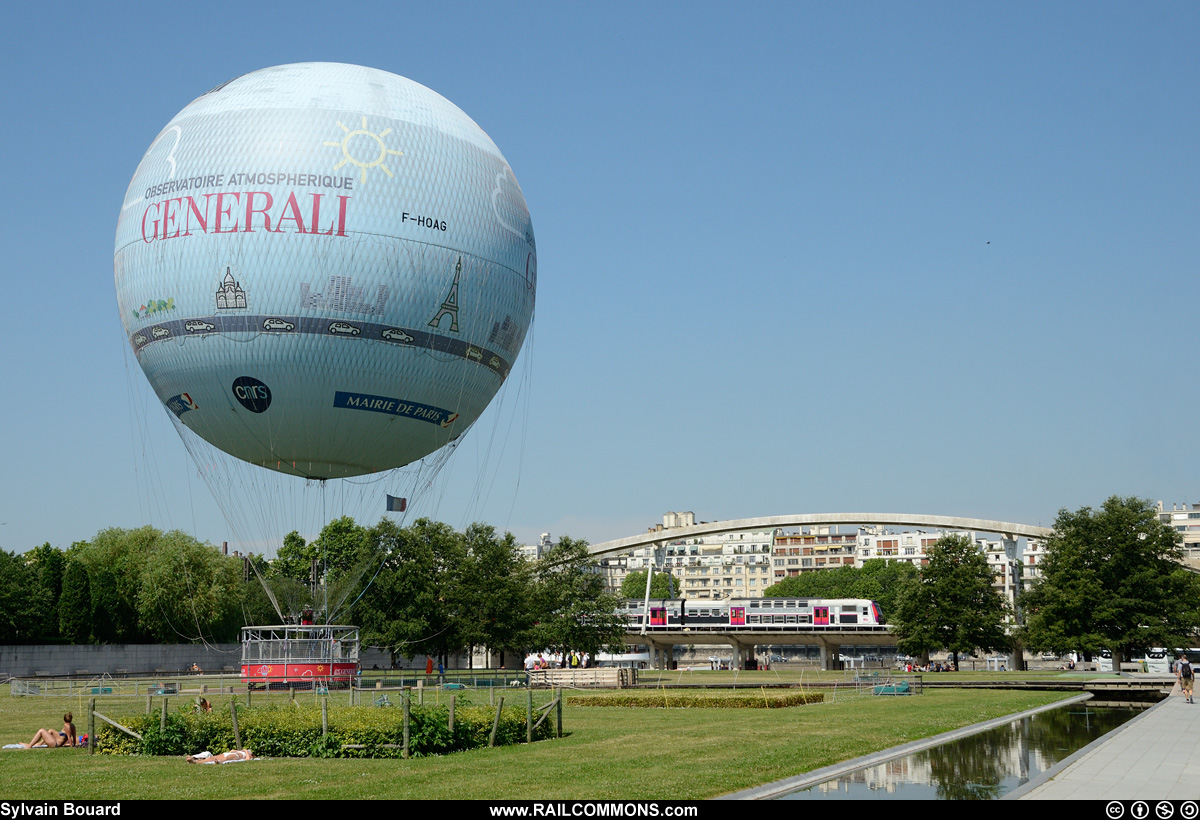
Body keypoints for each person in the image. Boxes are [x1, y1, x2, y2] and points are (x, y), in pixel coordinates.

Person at [185, 749, 255, 764]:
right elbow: (231, 750)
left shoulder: (247, 754)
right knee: (210, 758)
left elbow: (247, 760)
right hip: (227, 753)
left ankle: (219, 762)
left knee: (226, 758)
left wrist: (246, 751)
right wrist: (236, 750)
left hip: (235, 756)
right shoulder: (240, 751)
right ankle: (194, 761)